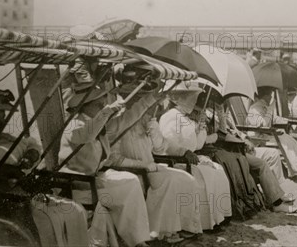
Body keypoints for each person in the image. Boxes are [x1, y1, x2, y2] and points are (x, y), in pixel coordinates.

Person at [0, 86, 89, 247]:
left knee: (75, 210)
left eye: (2, 113)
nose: (1, 118)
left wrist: (30, 156)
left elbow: (32, 146)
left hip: (20, 193)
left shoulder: (7, 138)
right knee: (45, 222)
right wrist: (6, 172)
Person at [59, 83, 157, 247]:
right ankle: (136, 241)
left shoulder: (98, 123)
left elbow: (127, 119)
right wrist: (107, 111)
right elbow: (87, 135)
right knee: (126, 188)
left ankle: (137, 239)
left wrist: (150, 98)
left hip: (92, 179)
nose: (102, 106)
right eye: (99, 104)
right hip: (77, 184)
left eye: (103, 103)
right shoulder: (74, 125)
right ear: (85, 106)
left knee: (131, 181)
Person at [106, 83, 204, 243]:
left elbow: (160, 148)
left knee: (187, 179)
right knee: (169, 181)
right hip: (132, 170)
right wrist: (142, 165)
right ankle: (159, 231)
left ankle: (184, 227)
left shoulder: (148, 121)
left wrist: (154, 131)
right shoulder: (118, 124)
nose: (151, 108)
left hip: (152, 167)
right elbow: (114, 158)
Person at [158, 83, 233, 228]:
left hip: (190, 159)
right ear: (179, 98)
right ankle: (207, 221)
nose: (193, 101)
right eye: (190, 97)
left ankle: (220, 216)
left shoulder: (186, 118)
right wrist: (184, 152)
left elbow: (197, 145)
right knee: (209, 174)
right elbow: (167, 144)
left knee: (218, 170)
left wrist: (200, 129)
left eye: (195, 97)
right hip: (176, 160)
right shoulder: (170, 117)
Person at [246, 87, 297, 176]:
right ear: (265, 96)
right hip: (258, 136)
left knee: (289, 138)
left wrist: (286, 120)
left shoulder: (263, 107)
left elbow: (273, 119)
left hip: (266, 134)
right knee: (285, 141)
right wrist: (270, 109)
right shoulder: (254, 108)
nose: (271, 98)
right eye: (269, 96)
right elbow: (262, 124)